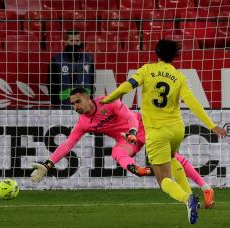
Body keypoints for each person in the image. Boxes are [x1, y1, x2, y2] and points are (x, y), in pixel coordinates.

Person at [101, 39, 227, 224]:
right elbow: (193, 103)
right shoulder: (179, 77)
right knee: (173, 157)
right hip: (177, 129)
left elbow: (127, 87)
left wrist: (108, 99)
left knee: (163, 180)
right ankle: (191, 195)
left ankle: (187, 199)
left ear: (156, 53)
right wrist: (211, 125)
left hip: (156, 132)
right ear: (175, 56)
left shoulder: (146, 70)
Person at [31, 88, 216, 210]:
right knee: (117, 152)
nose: (76, 107)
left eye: (78, 101)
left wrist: (134, 131)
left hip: (143, 126)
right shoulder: (83, 123)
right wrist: (48, 165)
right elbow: (67, 144)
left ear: (88, 98)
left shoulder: (107, 101)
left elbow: (130, 118)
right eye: (72, 104)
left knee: (173, 158)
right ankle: (137, 169)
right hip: (128, 140)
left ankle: (206, 188)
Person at [49, 30, 95, 107]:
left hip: (84, 104)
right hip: (63, 104)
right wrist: (55, 103)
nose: (74, 43)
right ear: (66, 42)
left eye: (77, 40)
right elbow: (51, 83)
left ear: (80, 42)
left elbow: (92, 81)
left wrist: (90, 100)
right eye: (71, 40)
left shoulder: (89, 59)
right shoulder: (56, 60)